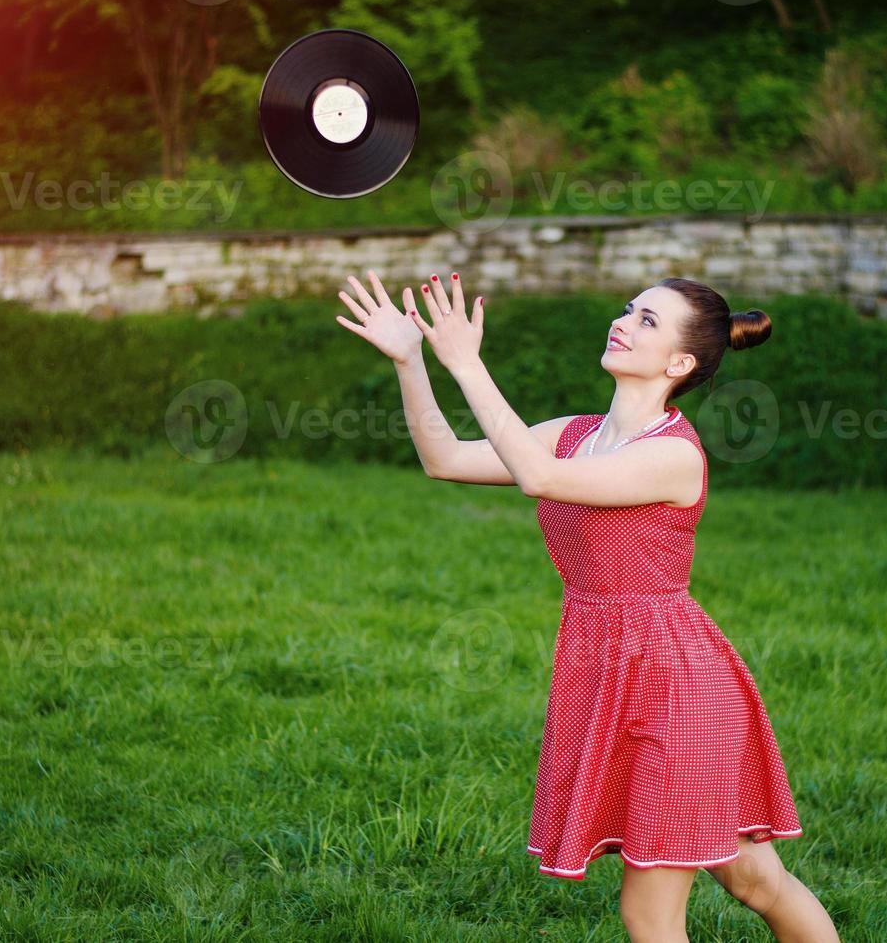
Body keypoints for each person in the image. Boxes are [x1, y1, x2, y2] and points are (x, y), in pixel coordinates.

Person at [336, 270, 840, 943]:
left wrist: (468, 362)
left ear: (681, 363)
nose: (625, 321)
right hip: (603, 669)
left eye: (649, 321)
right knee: (753, 879)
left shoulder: (672, 455)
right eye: (630, 309)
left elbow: (537, 479)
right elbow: (445, 458)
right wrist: (413, 361)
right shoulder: (574, 432)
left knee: (650, 913)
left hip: (675, 686)